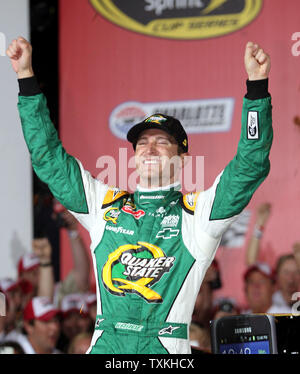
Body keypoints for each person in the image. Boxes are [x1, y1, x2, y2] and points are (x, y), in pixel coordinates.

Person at [7, 37, 273, 354]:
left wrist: (257, 90)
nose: (149, 148)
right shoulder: (103, 204)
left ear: (182, 157)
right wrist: (26, 80)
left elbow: (250, 167)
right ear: (133, 157)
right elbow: (48, 159)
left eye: (161, 141)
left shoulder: (197, 215)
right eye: (142, 142)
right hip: (106, 346)